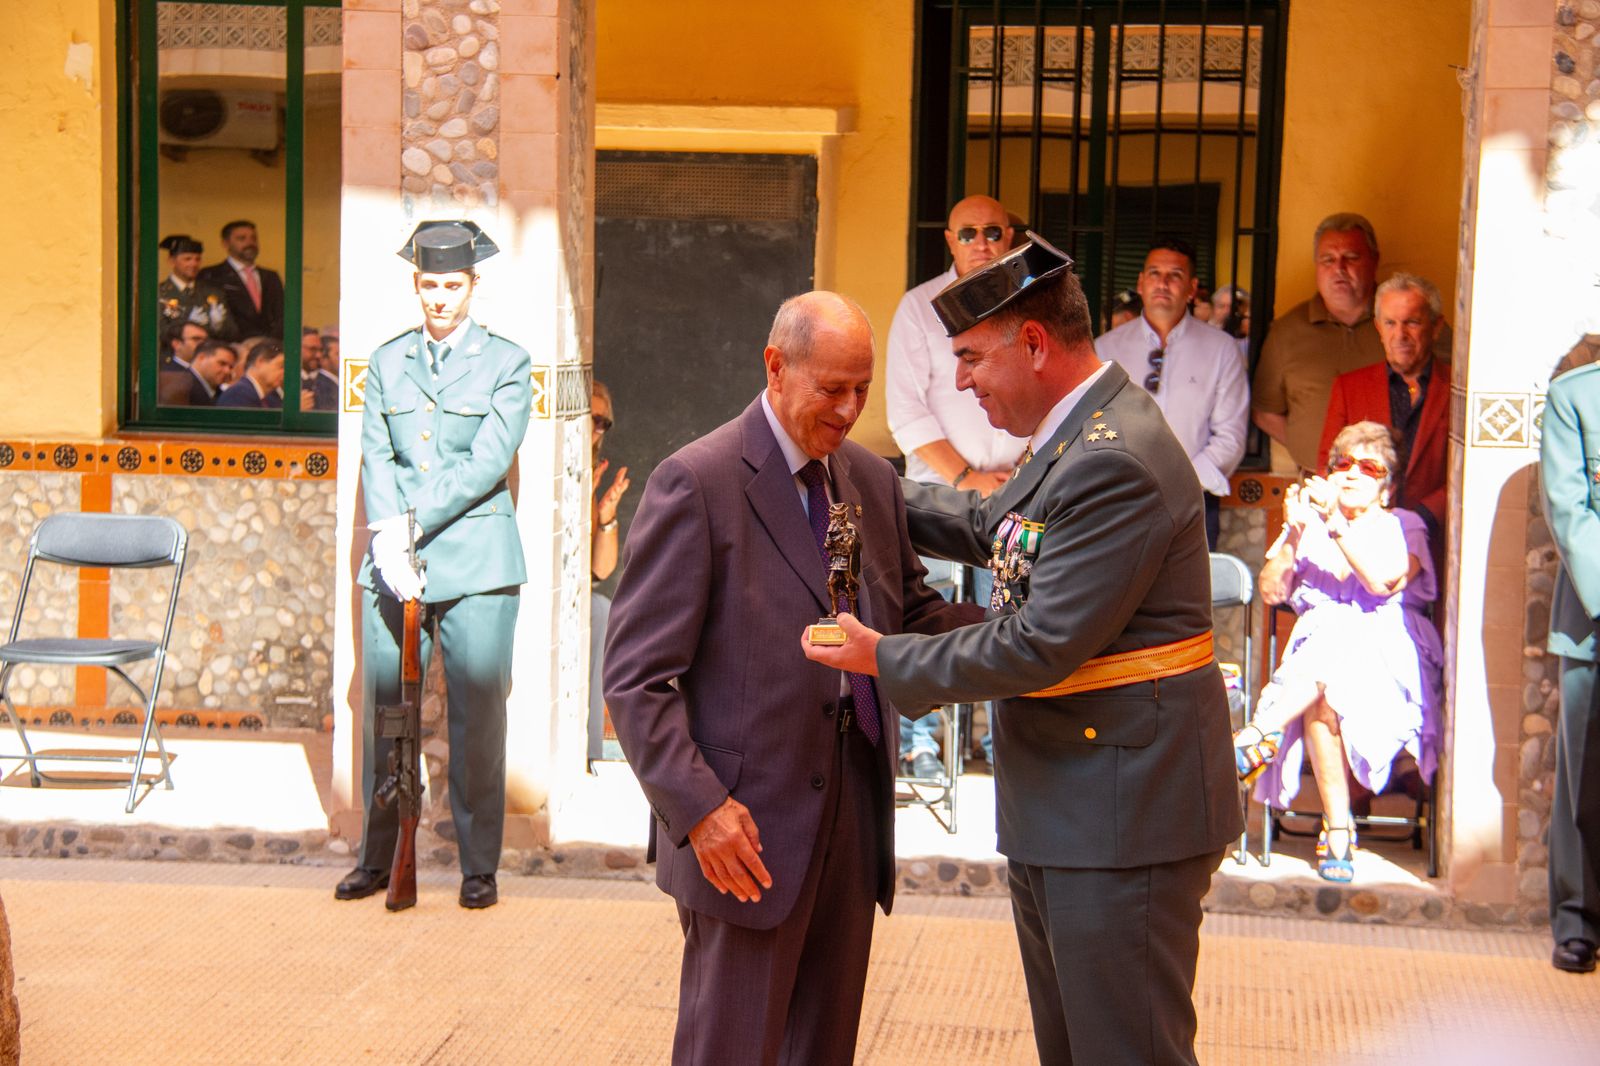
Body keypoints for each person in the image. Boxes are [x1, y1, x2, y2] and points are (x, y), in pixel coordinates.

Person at [804, 235, 1240, 1066]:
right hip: (1079, 795)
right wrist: (861, 478)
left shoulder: (1115, 460)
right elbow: (989, 529)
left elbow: (1039, 645)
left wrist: (879, 658)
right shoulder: (1080, 436)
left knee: (1125, 1050)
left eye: (970, 358)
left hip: (1123, 810)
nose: (961, 381)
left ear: (1034, 344)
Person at [603, 291, 968, 1066]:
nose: (849, 408)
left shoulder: (868, 479)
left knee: (823, 1048)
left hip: (853, 806)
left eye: (862, 389)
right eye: (830, 388)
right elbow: (636, 680)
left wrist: (1033, 636)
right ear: (775, 367)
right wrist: (701, 812)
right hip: (744, 829)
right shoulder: (696, 483)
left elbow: (912, 616)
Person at [335, 220, 532, 911]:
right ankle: (379, 854)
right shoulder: (388, 361)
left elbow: (486, 461)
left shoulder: (508, 362)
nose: (439, 298)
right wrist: (389, 538)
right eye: (428, 285)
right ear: (415, 284)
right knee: (385, 711)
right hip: (394, 560)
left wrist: (410, 524)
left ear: (473, 286)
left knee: (479, 718)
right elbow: (377, 451)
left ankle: (480, 865)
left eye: (451, 285)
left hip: (477, 559)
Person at [1233, 421, 1442, 884]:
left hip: (1389, 655)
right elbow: (1270, 592)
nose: (1350, 473)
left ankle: (1257, 736)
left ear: (1386, 487)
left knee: (1333, 647)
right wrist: (1292, 533)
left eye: (1368, 466)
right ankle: (1340, 829)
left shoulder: (1404, 525)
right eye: (1341, 463)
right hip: (1319, 670)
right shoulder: (1310, 526)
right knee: (1324, 692)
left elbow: (1381, 583)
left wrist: (1334, 527)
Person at [886, 193, 1027, 777]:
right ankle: (921, 743)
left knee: (1009, 613)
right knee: (927, 610)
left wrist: (1018, 476)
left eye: (993, 232)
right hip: (940, 496)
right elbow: (905, 413)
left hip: (1017, 489)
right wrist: (969, 479)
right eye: (967, 233)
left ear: (1012, 236)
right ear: (949, 241)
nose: (981, 243)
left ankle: (999, 742)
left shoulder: (1027, 302)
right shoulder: (919, 308)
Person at [1252, 213, 1451, 474]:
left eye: (1351, 258)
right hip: (1321, 485)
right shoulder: (1287, 332)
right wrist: (1319, 456)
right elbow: (1265, 412)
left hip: (1408, 490)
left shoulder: (1415, 322)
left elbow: (1452, 395)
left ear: (1374, 260)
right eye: (1328, 260)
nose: (1339, 269)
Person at [1095, 238, 1249, 549]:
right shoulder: (1106, 348)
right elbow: (1090, 428)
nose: (1162, 283)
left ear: (1191, 288)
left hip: (1194, 504)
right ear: (1140, 283)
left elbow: (1230, 437)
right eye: (1154, 273)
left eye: (1175, 275)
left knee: (1186, 597)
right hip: (1117, 503)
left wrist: (1179, 485)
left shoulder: (1221, 349)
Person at [1541, 360, 1600, 973]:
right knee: (1585, 775)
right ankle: (1578, 921)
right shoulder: (1575, 396)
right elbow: (1569, 507)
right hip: (1594, 617)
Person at [1318, 273, 1449, 539]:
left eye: (1412, 322)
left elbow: (1469, 473)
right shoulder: (1349, 388)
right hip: (1360, 537)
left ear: (1436, 327)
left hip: (1433, 538)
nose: (1400, 334)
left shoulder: (1458, 390)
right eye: (1390, 323)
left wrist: (1424, 516)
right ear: (1378, 328)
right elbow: (1327, 464)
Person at [587, 379, 630, 764]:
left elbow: (600, 569)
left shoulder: (590, 473)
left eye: (605, 422)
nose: (598, 428)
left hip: (586, 598)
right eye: (593, 418)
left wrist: (605, 517)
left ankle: (591, 751)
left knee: (601, 609)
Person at [198, 219, 285, 340]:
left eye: (254, 238)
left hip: (269, 348)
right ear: (225, 244)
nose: (250, 243)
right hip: (231, 347)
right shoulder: (212, 275)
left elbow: (281, 316)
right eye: (241, 238)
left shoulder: (271, 277)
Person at [157, 234, 231, 342]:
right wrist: (185, 325)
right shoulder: (160, 293)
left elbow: (233, 332)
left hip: (208, 353)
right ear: (172, 261)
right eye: (187, 259)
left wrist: (218, 326)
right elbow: (159, 331)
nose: (193, 263)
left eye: (197, 259)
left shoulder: (213, 292)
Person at [159, 337, 236, 406]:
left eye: (230, 367)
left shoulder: (221, 394)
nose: (227, 371)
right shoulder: (180, 386)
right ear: (201, 358)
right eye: (222, 363)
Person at [216, 339, 287, 408]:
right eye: (281, 366)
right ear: (260, 362)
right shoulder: (238, 395)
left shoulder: (269, 398)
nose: (285, 372)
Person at [301, 327, 338, 411]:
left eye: (320, 350)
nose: (319, 355)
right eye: (312, 349)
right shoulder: (284, 380)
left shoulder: (326, 383)